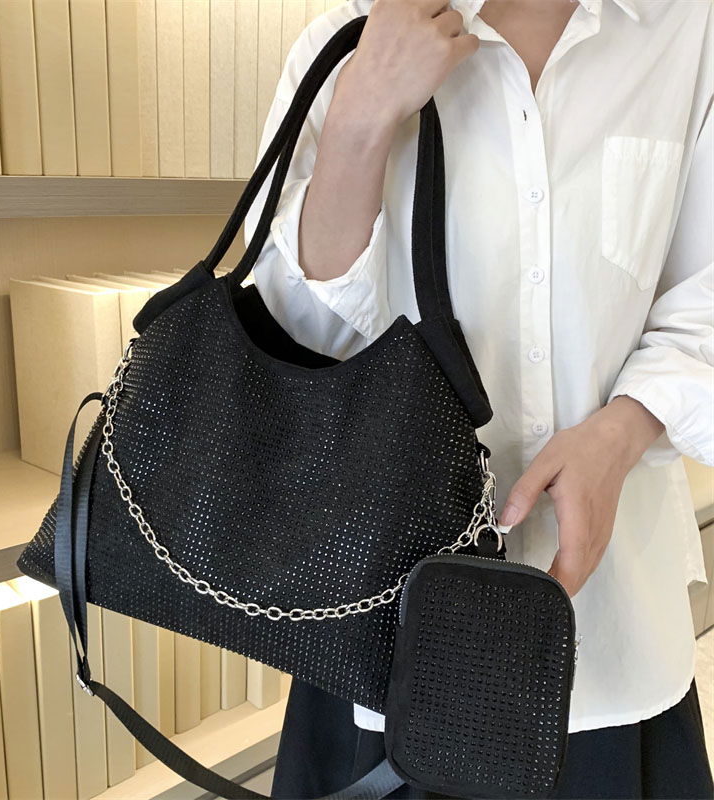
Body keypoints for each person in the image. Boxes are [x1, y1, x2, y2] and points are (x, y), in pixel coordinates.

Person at [243, 0, 714, 797]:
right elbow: (291, 335)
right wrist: (361, 119)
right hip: (380, 642)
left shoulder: (689, 31)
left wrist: (622, 433)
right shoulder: (349, 36)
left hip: (609, 645)